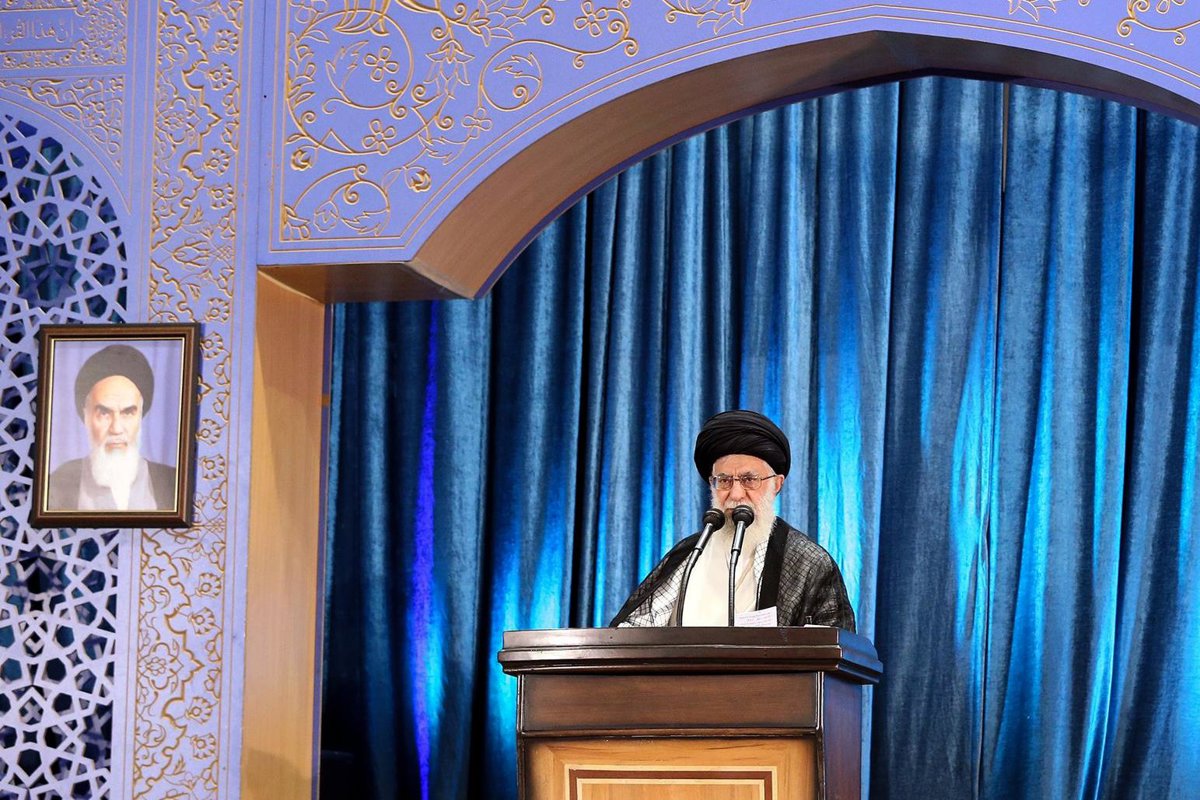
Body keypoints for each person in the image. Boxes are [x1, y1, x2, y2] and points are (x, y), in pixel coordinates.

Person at [611, 409, 855, 630]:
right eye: (724, 481)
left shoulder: (808, 563)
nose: (736, 494)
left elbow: (835, 648)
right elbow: (630, 633)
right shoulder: (688, 555)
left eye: (749, 480)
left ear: (776, 484)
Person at [46, 344, 176, 512]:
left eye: (127, 413)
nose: (116, 428)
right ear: (86, 416)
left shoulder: (172, 483)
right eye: (104, 413)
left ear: (140, 415)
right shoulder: (58, 485)